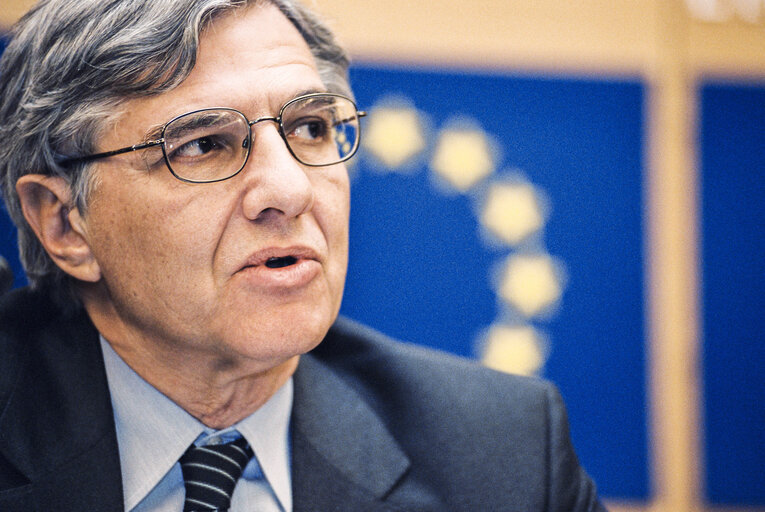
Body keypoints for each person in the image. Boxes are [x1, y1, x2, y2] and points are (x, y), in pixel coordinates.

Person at [0, 0, 607, 510]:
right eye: (204, 144)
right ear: (64, 223)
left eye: (311, 129)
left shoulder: (506, 457)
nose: (290, 190)